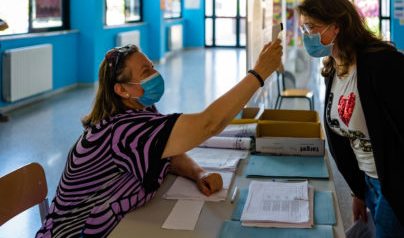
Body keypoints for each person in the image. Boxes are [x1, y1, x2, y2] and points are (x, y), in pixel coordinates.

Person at [36, 40, 283, 237]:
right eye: (146, 71)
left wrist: (199, 173)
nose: (155, 73)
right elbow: (208, 123)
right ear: (122, 90)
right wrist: (258, 73)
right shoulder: (122, 131)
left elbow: (167, 151)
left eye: (152, 66)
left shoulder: (142, 110)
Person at [296, 0, 404, 238]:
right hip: (370, 185)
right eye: (303, 29)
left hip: (401, 189)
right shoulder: (333, 67)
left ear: (336, 25)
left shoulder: (384, 64)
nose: (305, 36)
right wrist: (358, 192)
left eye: (310, 27)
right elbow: (348, 138)